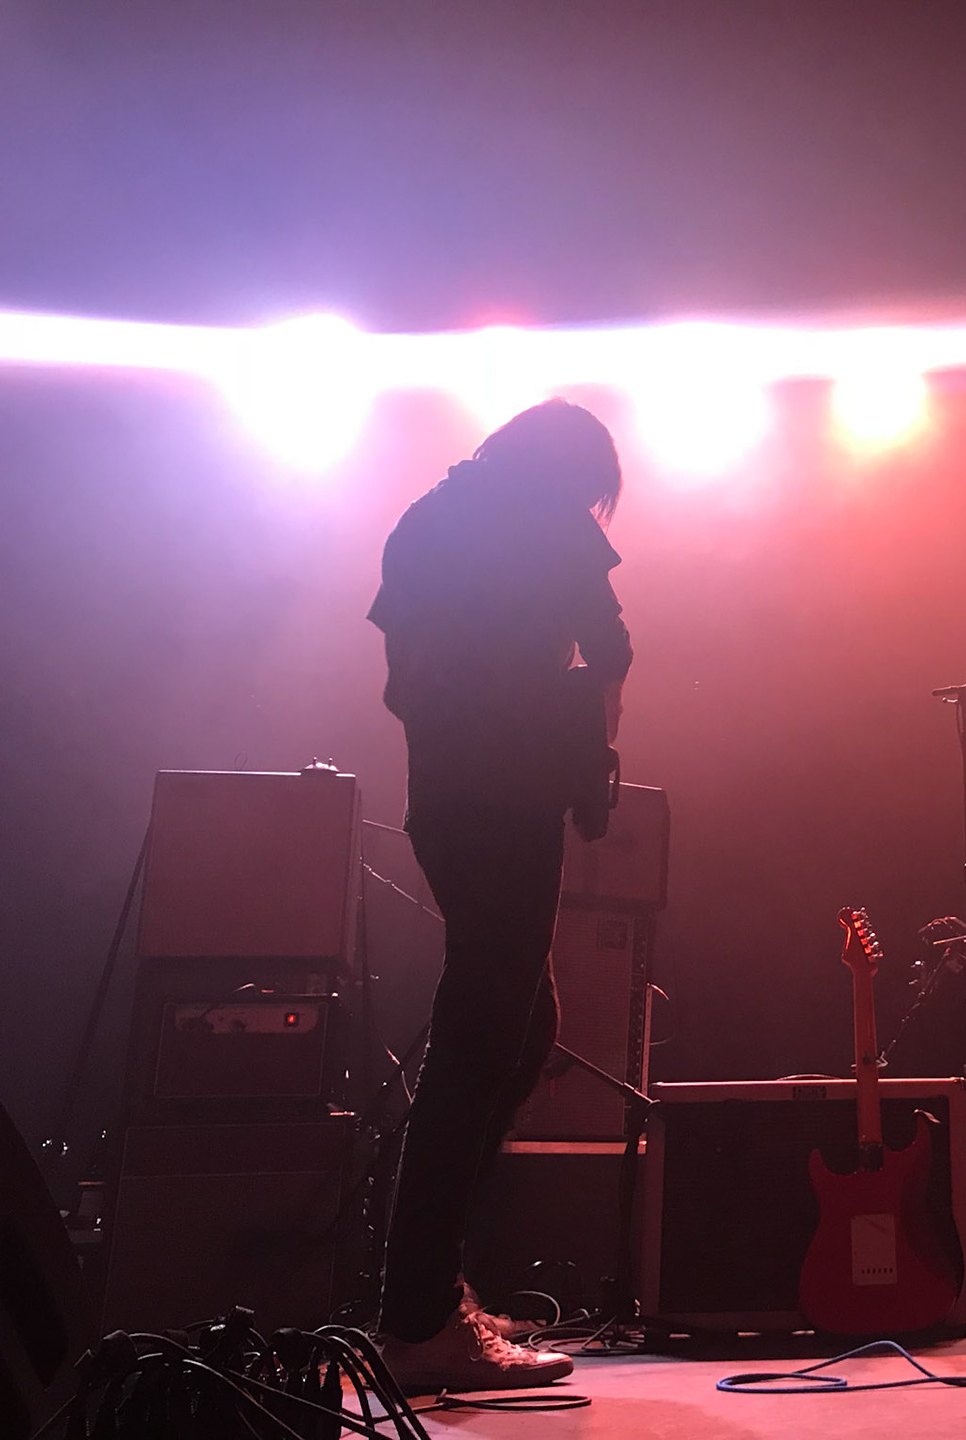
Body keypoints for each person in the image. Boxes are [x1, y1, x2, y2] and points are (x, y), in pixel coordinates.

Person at [366, 398, 633, 1392]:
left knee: (519, 1031)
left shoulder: (427, 519)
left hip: (441, 803)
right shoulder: (550, 518)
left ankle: (431, 1291)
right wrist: (588, 744)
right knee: (482, 1041)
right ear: (575, 474)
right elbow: (611, 647)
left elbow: (402, 683)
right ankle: (420, 1317)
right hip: (511, 801)